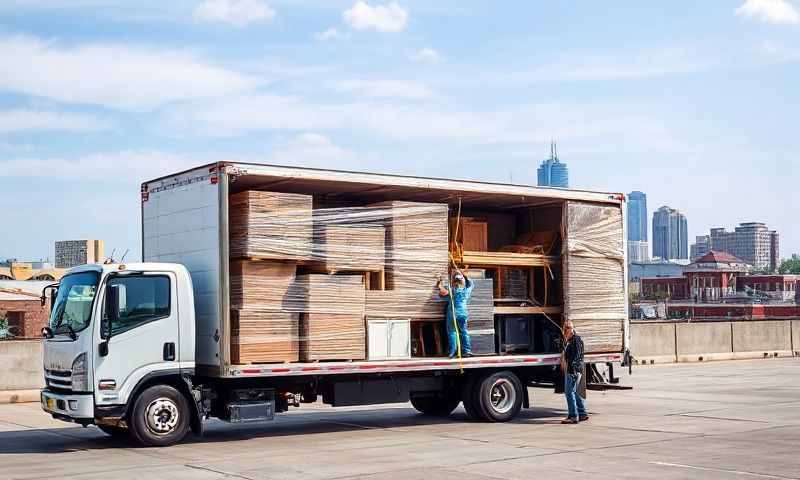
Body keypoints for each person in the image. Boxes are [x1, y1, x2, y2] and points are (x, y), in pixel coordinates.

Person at [437, 269, 474, 358]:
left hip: (453, 313)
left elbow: (441, 294)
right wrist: (463, 275)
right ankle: (467, 351)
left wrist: (439, 284)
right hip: (463, 313)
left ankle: (452, 352)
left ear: (454, 281)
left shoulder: (451, 290)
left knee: (452, 332)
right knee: (463, 331)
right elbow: (471, 284)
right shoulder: (466, 290)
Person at [561, 320, 588, 424]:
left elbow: (576, 356)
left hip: (573, 371)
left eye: (567, 329)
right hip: (576, 370)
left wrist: (571, 368)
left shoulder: (575, 340)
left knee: (569, 392)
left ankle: (573, 416)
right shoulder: (573, 340)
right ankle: (582, 413)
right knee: (575, 392)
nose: (566, 332)